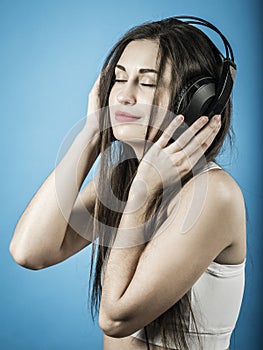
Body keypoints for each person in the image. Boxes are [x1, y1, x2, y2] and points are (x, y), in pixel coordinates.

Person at [9, 16, 246, 350]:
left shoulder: (214, 195)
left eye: (146, 83)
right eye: (118, 79)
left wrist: (142, 193)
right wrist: (93, 132)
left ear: (196, 102)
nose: (123, 96)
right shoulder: (127, 180)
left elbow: (115, 318)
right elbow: (29, 251)